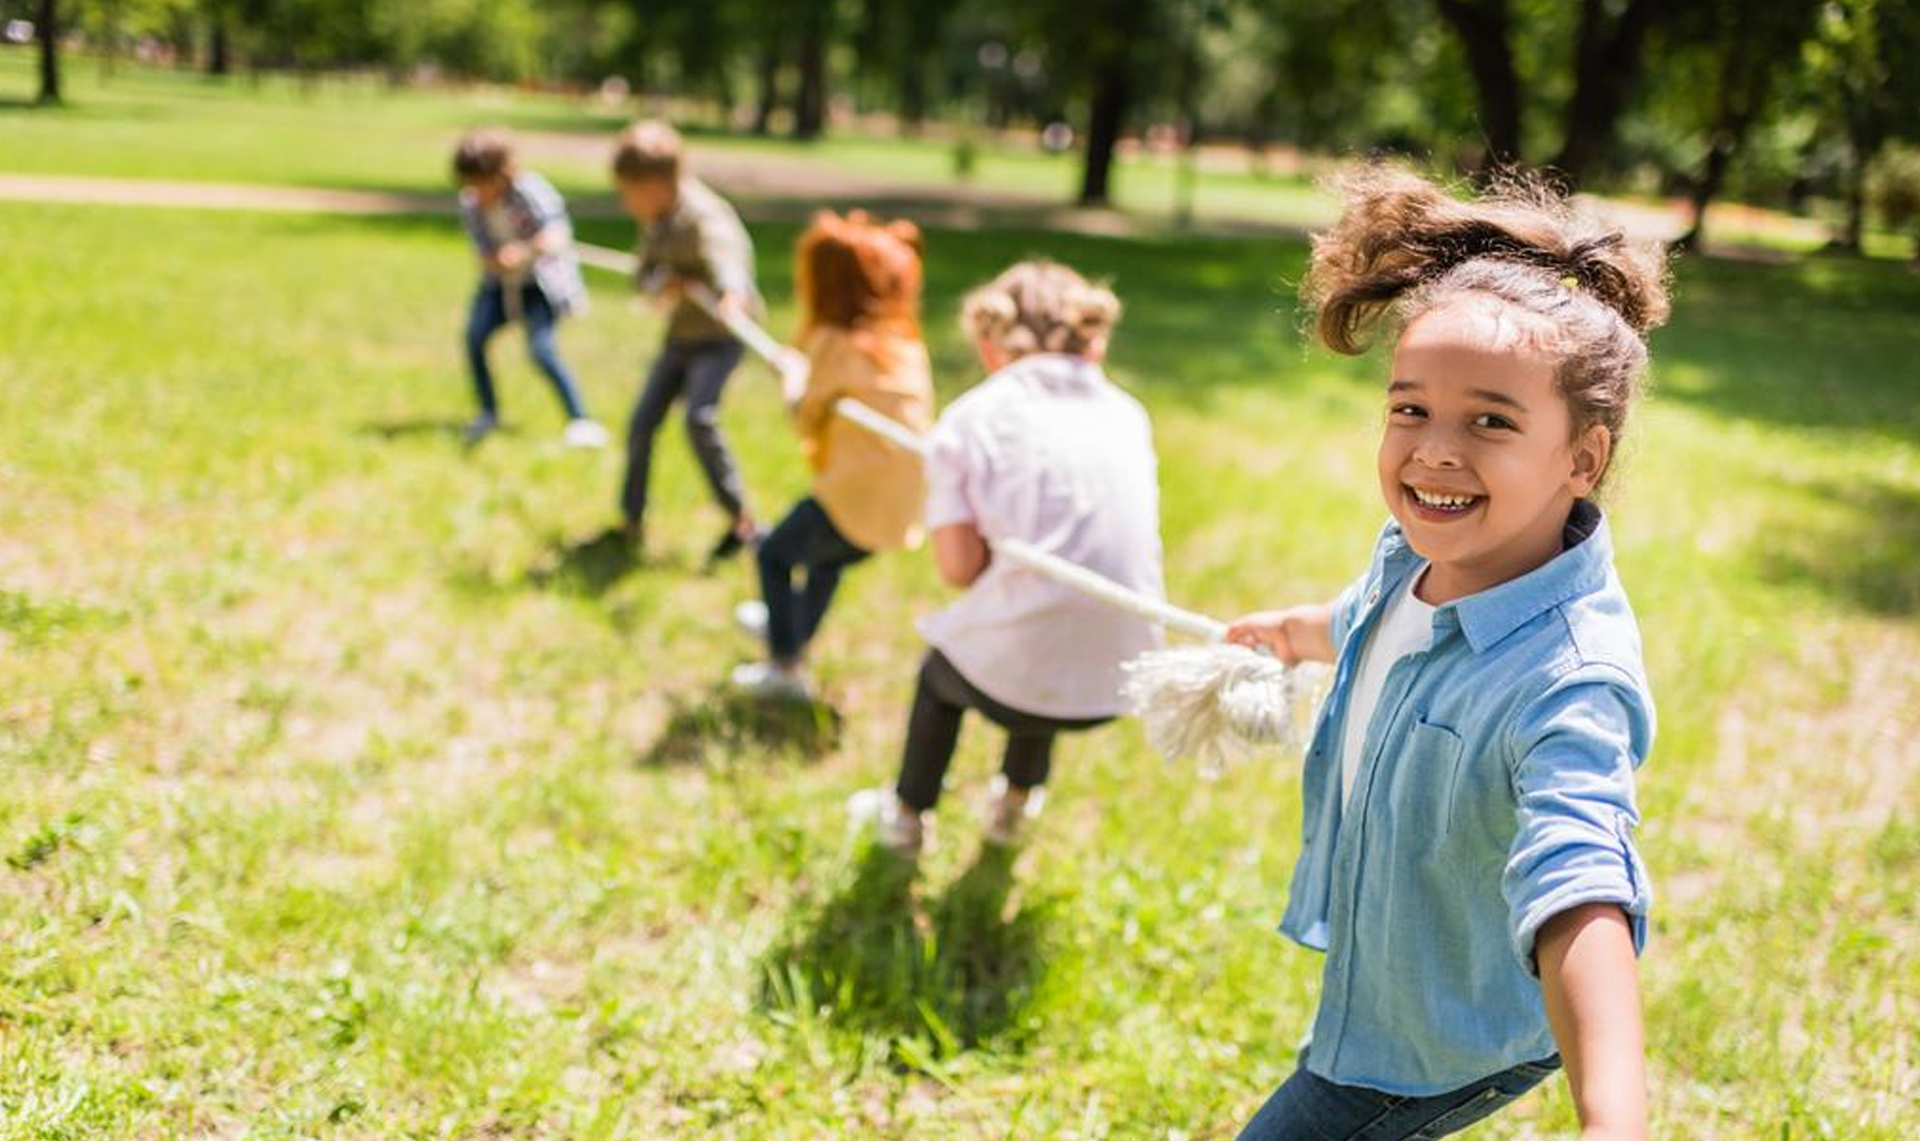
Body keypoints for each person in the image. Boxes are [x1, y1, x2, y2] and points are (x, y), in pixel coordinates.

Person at [1223, 166, 1671, 1141]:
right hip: (1402, 973)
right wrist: (1295, 634)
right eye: (1410, 407)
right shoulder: (1422, 557)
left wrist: (1616, 1115)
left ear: (1581, 458)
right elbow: (1372, 618)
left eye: (1491, 421)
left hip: (1435, 1041)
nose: (1433, 449)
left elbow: (1580, 879)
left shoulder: (1567, 678)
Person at [853, 260, 1166, 855]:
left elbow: (958, 569)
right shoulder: (1129, 411)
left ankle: (907, 817)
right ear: (1093, 342)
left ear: (992, 345)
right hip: (1121, 674)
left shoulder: (972, 417)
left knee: (942, 672)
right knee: (1044, 612)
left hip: (1025, 678)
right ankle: (1016, 804)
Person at [731, 211, 935, 700]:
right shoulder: (904, 344)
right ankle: (792, 631)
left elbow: (805, 415)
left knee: (775, 554)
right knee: (827, 561)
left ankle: (785, 667)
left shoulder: (834, 342)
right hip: (901, 506)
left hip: (855, 498)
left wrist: (790, 377)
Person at [611, 119, 762, 563]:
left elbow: (726, 255)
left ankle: (743, 521)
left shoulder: (703, 215)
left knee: (699, 419)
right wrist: (664, 284)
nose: (626, 203)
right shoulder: (657, 221)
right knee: (642, 424)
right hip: (681, 337)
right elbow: (643, 277)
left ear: (655, 185)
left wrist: (732, 294)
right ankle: (631, 520)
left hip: (718, 339)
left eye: (628, 193)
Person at [451, 127, 606, 449]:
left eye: (481, 184)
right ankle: (488, 413)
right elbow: (482, 251)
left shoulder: (531, 191)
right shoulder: (470, 204)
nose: (476, 192)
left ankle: (581, 419)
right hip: (499, 286)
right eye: (470, 184)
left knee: (542, 351)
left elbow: (558, 234)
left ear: (501, 173)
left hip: (540, 285)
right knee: (474, 338)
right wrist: (496, 260)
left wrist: (524, 251)